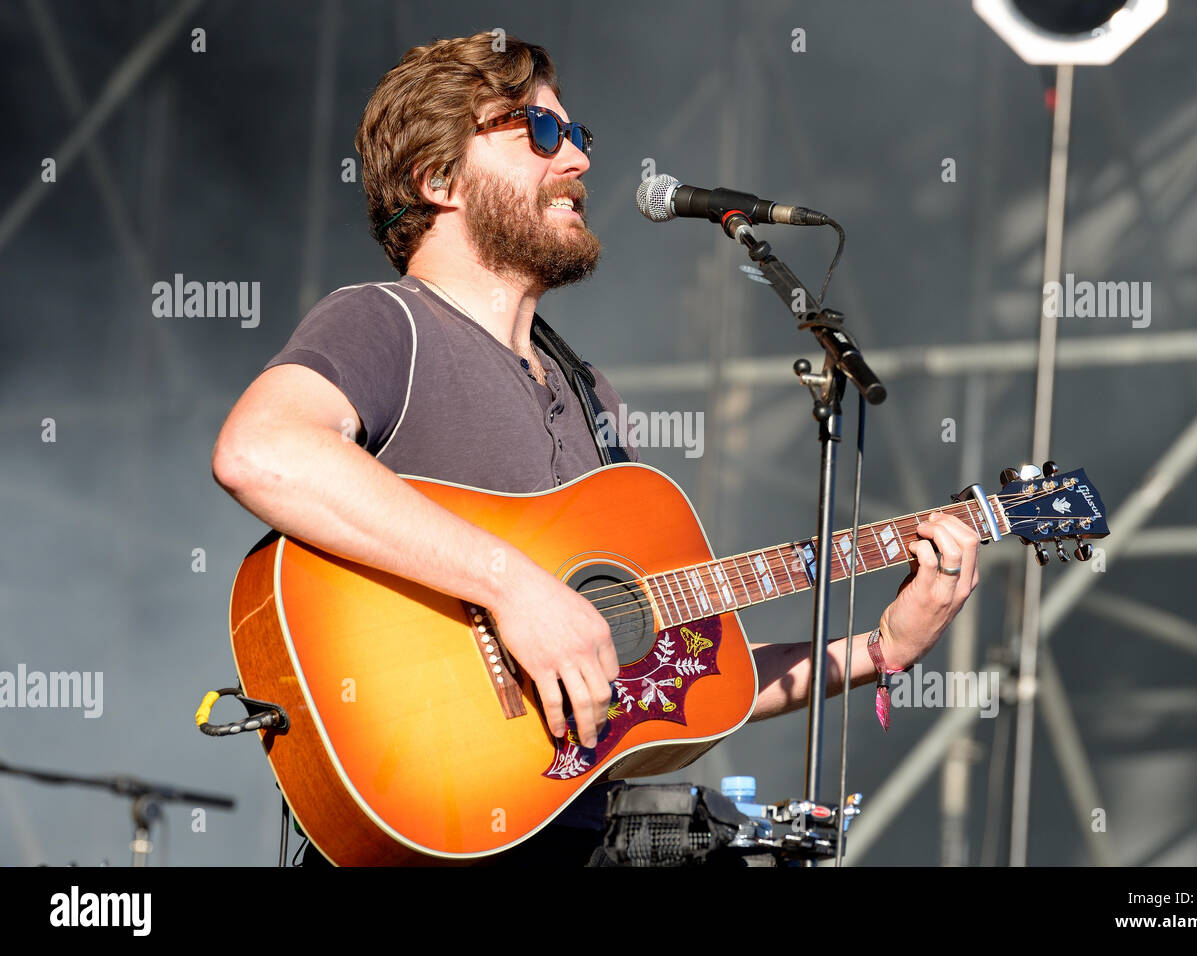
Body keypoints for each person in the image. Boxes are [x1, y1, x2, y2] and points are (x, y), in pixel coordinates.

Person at [210, 32, 981, 866]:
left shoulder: (590, 394)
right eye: (538, 133)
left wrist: (879, 649)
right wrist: (515, 591)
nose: (576, 158)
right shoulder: (384, 322)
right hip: (430, 818)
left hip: (572, 839)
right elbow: (262, 450)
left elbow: (675, 673)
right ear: (439, 181)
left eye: (578, 136)